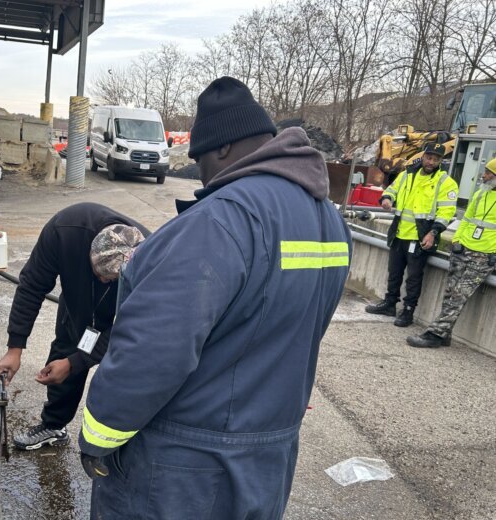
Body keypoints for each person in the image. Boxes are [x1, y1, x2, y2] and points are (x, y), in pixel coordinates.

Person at [77, 77, 352, 519]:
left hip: (184, 470)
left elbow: (152, 353)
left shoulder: (218, 222)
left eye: (200, 158)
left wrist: (97, 437)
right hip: (268, 458)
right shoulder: (327, 221)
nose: (203, 174)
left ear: (222, 149)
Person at [0, 202, 148, 450]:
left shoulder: (151, 258)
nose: (103, 281)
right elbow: (32, 286)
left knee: (121, 370)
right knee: (65, 350)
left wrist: (77, 363)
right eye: (99, 274)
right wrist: (15, 348)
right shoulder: (64, 230)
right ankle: (54, 426)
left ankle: (120, 443)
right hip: (78, 301)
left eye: (110, 280)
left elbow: (132, 327)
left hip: (121, 312)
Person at [365, 142, 459, 326]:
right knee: (394, 272)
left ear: (441, 161)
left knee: (414, 278)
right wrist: (386, 199)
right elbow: (392, 190)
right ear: (423, 156)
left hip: (421, 236)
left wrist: (433, 233)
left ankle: (408, 311)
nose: (431, 161)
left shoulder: (446, 182)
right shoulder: (407, 175)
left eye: (436, 159)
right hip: (399, 232)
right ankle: (390, 304)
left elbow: (446, 213)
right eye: (429, 157)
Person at [407, 160, 496, 348]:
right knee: (450, 292)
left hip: (484, 255)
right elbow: (467, 220)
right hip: (463, 249)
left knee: (459, 294)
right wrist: (457, 240)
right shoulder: (481, 193)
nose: (484, 175)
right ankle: (445, 333)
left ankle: (435, 335)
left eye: (488, 173)